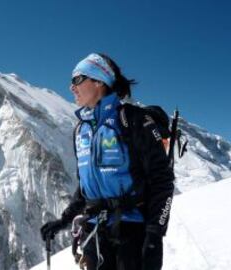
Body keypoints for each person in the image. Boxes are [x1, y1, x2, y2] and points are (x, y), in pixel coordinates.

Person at [40, 53, 175, 270]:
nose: (71, 87)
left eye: (77, 79)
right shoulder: (81, 130)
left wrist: (154, 235)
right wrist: (64, 221)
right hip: (95, 232)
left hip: (132, 233)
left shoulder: (133, 120)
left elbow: (162, 180)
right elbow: (85, 188)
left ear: (99, 81)